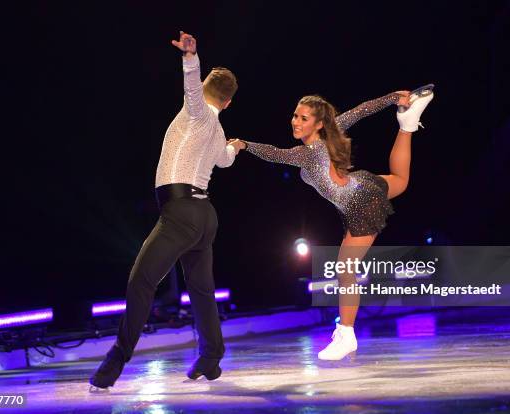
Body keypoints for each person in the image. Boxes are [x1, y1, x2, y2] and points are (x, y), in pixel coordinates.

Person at [228, 86, 434, 360]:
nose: (296, 122)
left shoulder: (307, 153)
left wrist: (244, 145)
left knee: (345, 270)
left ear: (318, 123)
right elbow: (361, 110)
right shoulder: (328, 134)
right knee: (401, 180)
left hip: (361, 202)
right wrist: (391, 99)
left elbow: (275, 153)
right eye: (295, 116)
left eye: (303, 118)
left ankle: (346, 334)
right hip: (364, 185)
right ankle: (407, 125)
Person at [90, 31, 240, 389]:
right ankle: (211, 359)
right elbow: (225, 161)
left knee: (141, 280)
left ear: (206, 87)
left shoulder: (198, 113)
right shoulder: (217, 129)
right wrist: (234, 147)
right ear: (229, 103)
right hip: (204, 217)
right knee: (201, 290)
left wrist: (191, 57)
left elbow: (191, 89)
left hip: (182, 214)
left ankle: (115, 361)